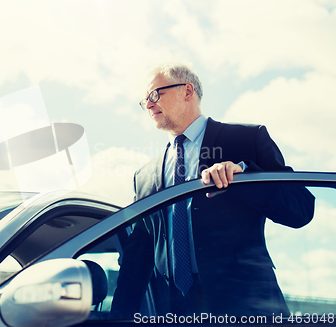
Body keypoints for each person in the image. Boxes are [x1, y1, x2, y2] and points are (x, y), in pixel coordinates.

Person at [110, 62, 315, 318]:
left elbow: (301, 209)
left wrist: (247, 176)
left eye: (155, 95)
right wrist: (117, 318)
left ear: (187, 91)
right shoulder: (144, 177)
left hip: (245, 309)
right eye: (145, 101)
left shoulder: (246, 140)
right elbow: (137, 258)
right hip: (174, 314)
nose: (149, 105)